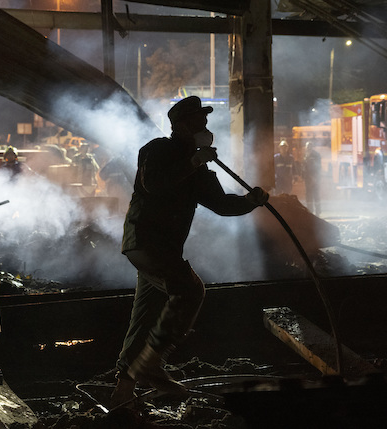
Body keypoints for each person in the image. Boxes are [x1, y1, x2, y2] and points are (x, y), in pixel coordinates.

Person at [110, 96, 269, 408]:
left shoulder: (198, 171)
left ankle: (122, 393)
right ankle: (151, 365)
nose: (206, 127)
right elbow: (154, 184)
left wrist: (250, 201)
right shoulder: (157, 150)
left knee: (145, 318)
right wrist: (195, 161)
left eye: (206, 122)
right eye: (199, 122)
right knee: (189, 290)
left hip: (161, 251)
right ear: (181, 126)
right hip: (145, 243)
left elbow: (222, 205)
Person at [303, 141, 322, 215]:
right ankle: (310, 210)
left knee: (316, 194)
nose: (308, 148)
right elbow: (304, 167)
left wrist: (315, 177)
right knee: (308, 195)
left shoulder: (316, 155)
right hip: (308, 179)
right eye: (307, 147)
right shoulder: (306, 155)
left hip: (314, 178)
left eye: (309, 146)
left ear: (312, 147)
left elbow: (318, 167)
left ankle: (318, 211)